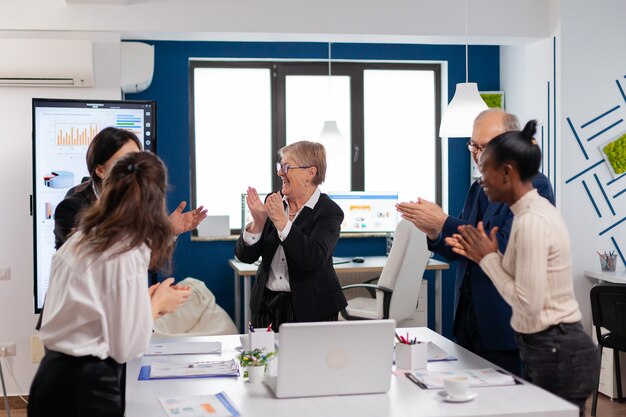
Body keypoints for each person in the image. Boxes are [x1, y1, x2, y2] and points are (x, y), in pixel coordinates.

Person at [445, 120, 600, 416]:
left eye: (486, 169)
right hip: (548, 346)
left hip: (557, 351)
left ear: (507, 173)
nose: (481, 179)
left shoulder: (531, 222)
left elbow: (527, 303)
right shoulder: (526, 214)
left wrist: (487, 258)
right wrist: (489, 256)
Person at [396, 109, 554, 376]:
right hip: (469, 320)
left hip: (508, 325)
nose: (477, 153)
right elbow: (458, 249)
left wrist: (444, 222)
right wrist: (434, 231)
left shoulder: (533, 185)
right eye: (474, 145)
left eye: (486, 146)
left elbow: (504, 247)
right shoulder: (477, 187)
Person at [28, 151, 177, 417]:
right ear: (156, 200)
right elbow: (126, 347)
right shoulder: (126, 249)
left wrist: (142, 302)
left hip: (49, 380)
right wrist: (155, 306)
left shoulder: (85, 236)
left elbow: (93, 308)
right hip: (86, 389)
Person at [50, 127, 207, 319]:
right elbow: (98, 272)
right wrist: (155, 304)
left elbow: (139, 260)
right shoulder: (72, 208)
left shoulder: (136, 204)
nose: (135, 172)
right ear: (100, 170)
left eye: (136, 161)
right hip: (81, 321)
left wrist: (169, 231)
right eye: (124, 164)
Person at [235, 141, 347, 331]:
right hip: (265, 307)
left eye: (287, 167)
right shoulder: (274, 200)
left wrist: (281, 222)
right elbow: (246, 257)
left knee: (310, 361)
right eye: (280, 166)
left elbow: (313, 258)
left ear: (310, 173)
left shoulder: (329, 211)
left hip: (311, 310)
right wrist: (258, 222)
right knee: (264, 360)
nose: (280, 172)